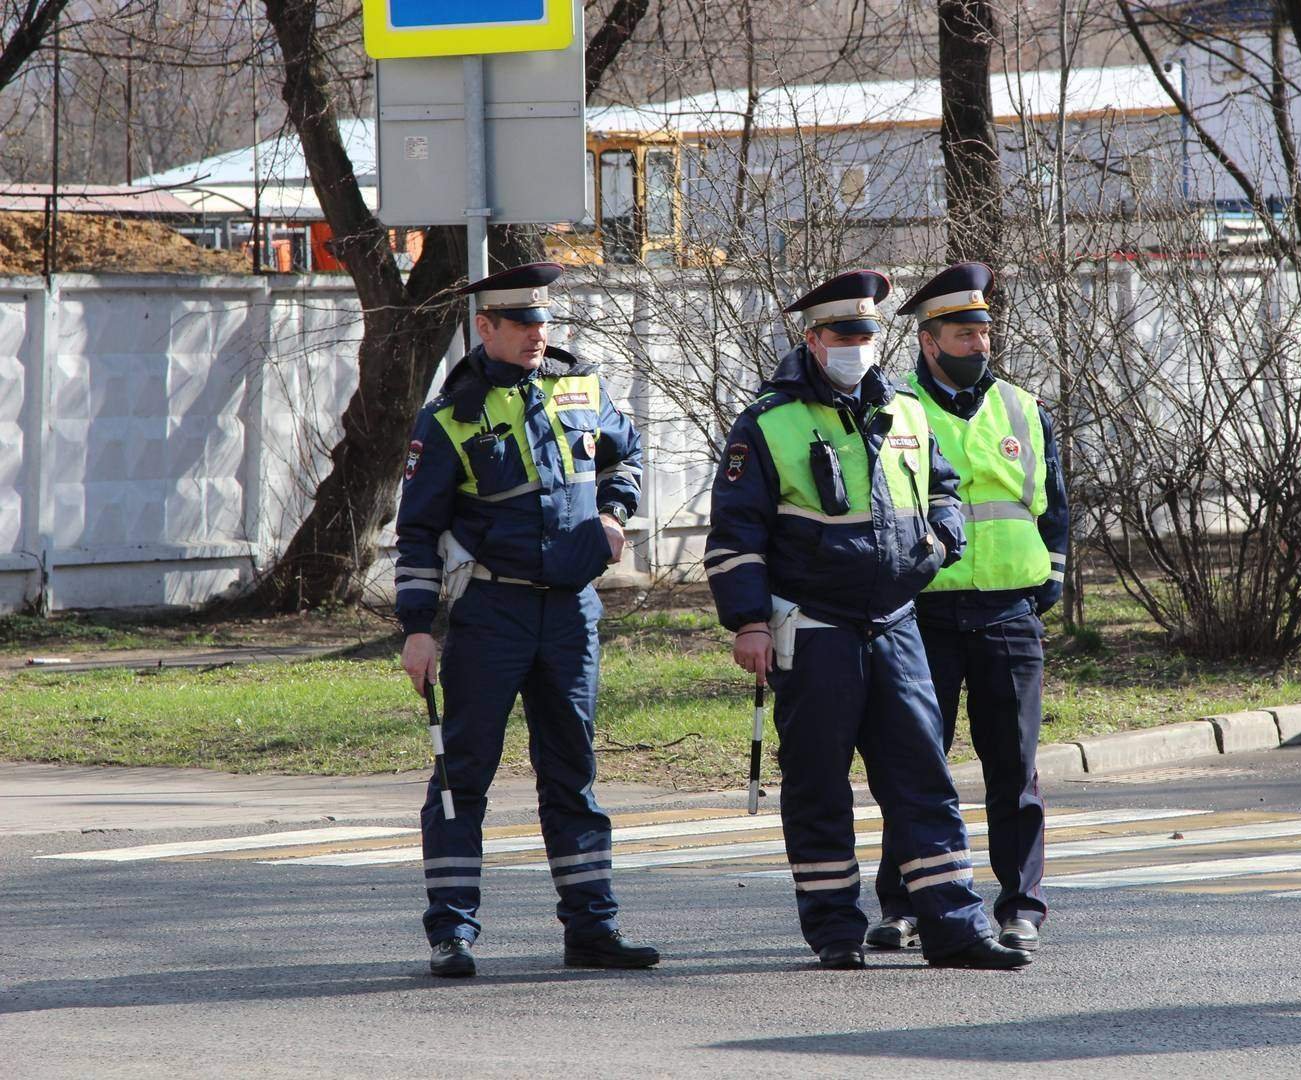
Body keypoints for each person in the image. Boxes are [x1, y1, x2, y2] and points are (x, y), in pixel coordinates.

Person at [704, 269, 1032, 971]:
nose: (858, 344)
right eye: (844, 333)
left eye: (867, 332)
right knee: (819, 782)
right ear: (813, 339)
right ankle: (833, 929)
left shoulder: (905, 410)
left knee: (924, 778)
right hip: (814, 627)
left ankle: (954, 926)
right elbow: (736, 535)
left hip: (895, 621)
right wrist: (748, 623)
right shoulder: (767, 421)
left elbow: (943, 490)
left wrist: (943, 540)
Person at [394, 262, 659, 977]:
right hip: (491, 611)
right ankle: (452, 931)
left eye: (544, 321)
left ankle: (592, 930)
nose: (538, 334)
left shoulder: (581, 384)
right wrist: (419, 628)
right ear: (486, 328)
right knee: (463, 773)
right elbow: (417, 533)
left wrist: (613, 513)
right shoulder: (452, 414)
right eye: (522, 323)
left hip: (572, 611)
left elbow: (625, 456)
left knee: (572, 772)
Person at [868, 262, 1070, 954]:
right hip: (924, 618)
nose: (980, 344)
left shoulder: (1022, 408)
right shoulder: (897, 412)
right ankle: (904, 905)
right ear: (929, 342)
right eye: (963, 332)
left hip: (1010, 614)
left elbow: (1055, 508)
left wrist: (1050, 580)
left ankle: (1021, 906)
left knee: (1013, 769)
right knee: (917, 765)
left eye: (984, 331)